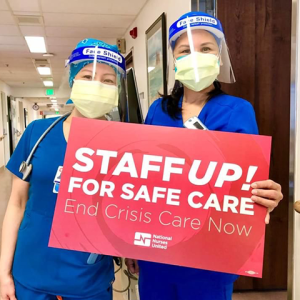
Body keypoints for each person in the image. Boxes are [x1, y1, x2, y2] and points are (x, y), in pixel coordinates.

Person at [125, 12, 283, 300]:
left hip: (212, 252)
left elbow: (247, 184)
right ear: (174, 60)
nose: (196, 57)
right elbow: (142, 183)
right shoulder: (158, 111)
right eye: (186, 51)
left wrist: (265, 198)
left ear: (219, 59)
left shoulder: (238, 110)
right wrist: (132, 244)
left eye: (206, 49)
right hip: (159, 249)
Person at [0, 38, 126, 300]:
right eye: (87, 76)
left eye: (107, 80)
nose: (96, 86)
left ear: (117, 88)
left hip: (87, 279)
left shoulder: (126, 145)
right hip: (31, 272)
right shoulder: (38, 133)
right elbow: (16, 204)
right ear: (72, 81)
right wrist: (3, 273)